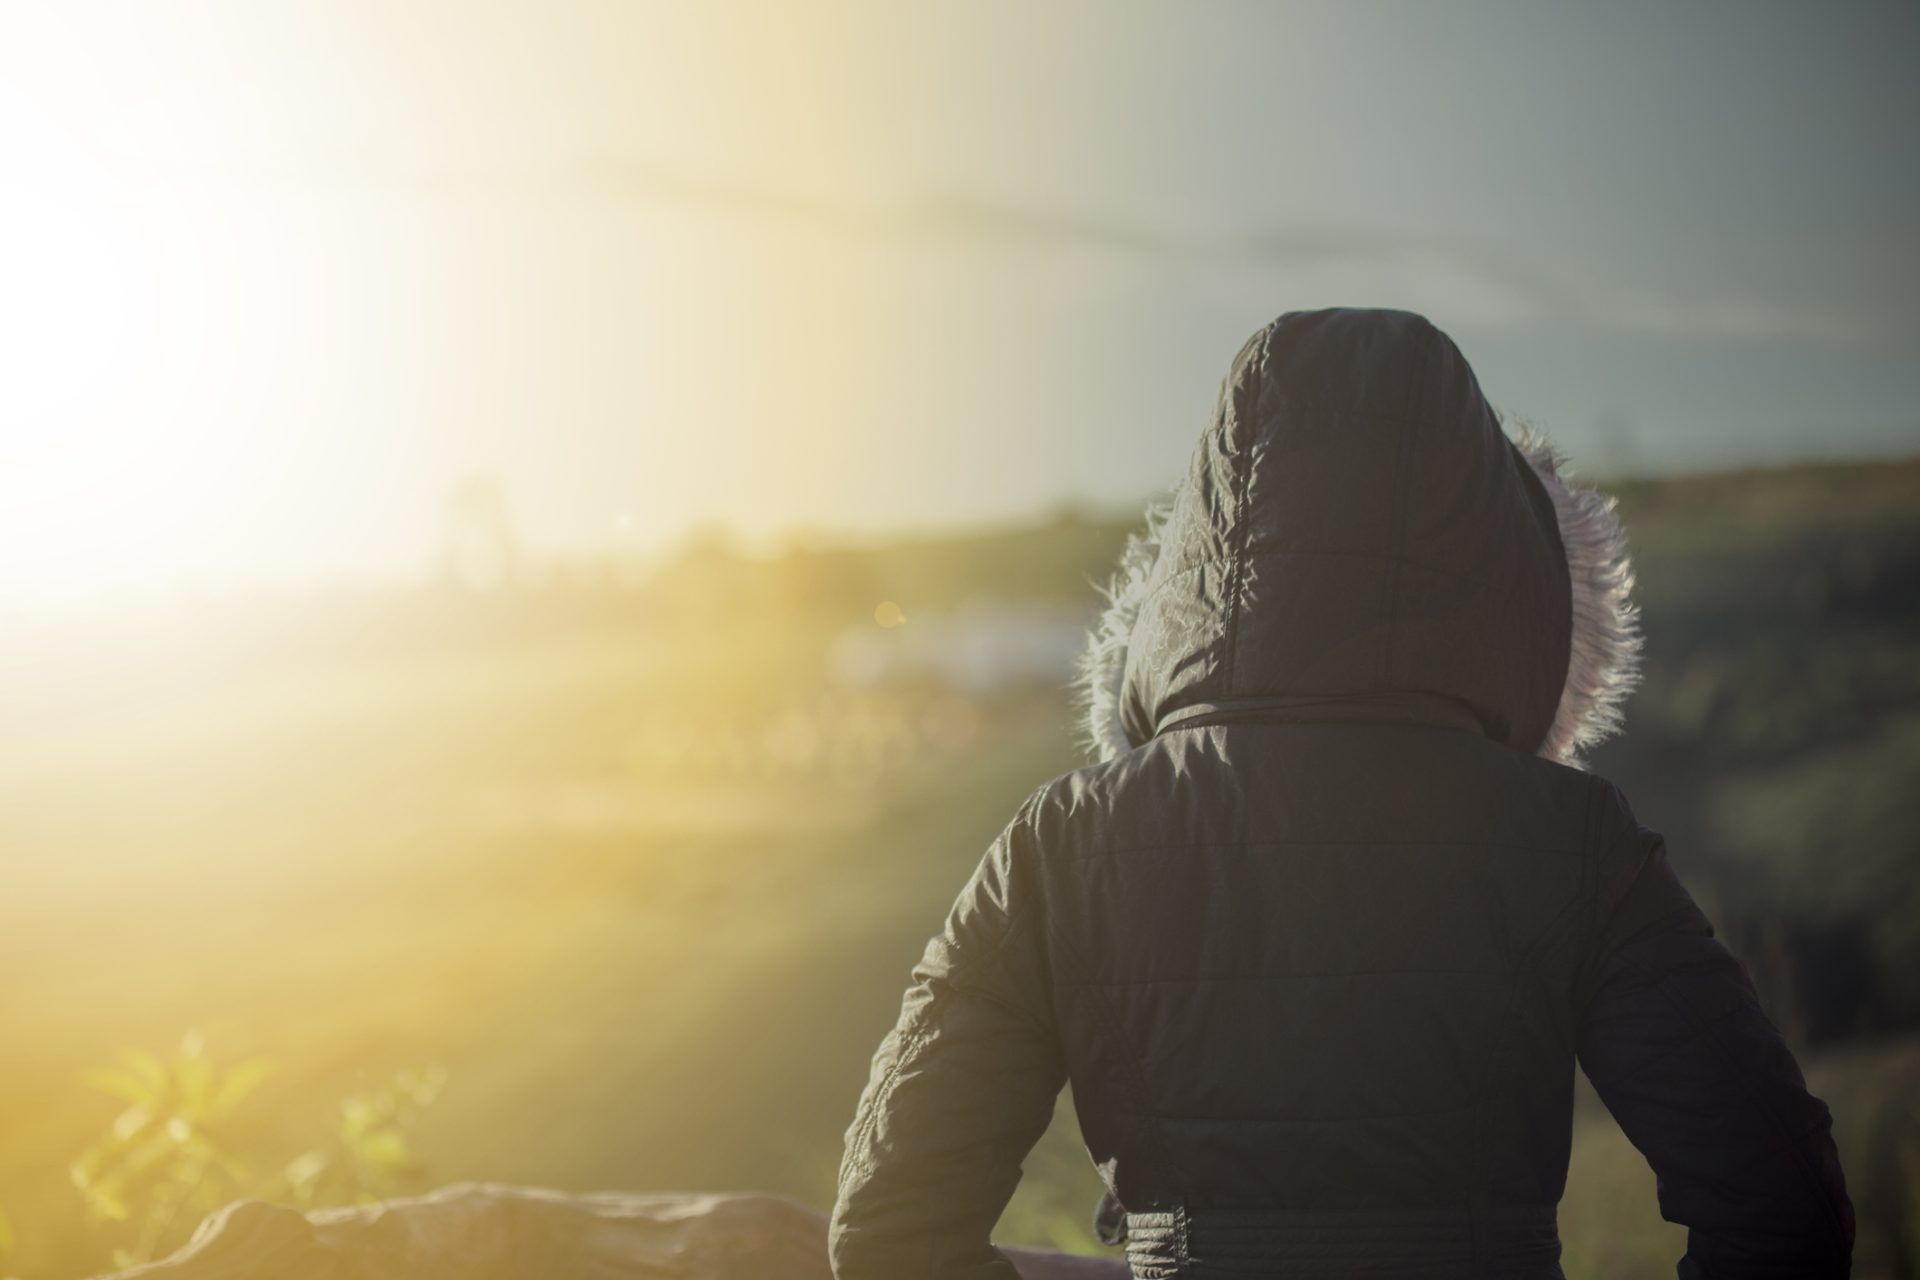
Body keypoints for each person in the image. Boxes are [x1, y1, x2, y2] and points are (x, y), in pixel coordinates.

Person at [828, 308, 1853, 1280]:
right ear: (1493, 543)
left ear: (1209, 535)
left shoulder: (1062, 843)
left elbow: (888, 1228)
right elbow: (1782, 1204)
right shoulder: (1572, 838)